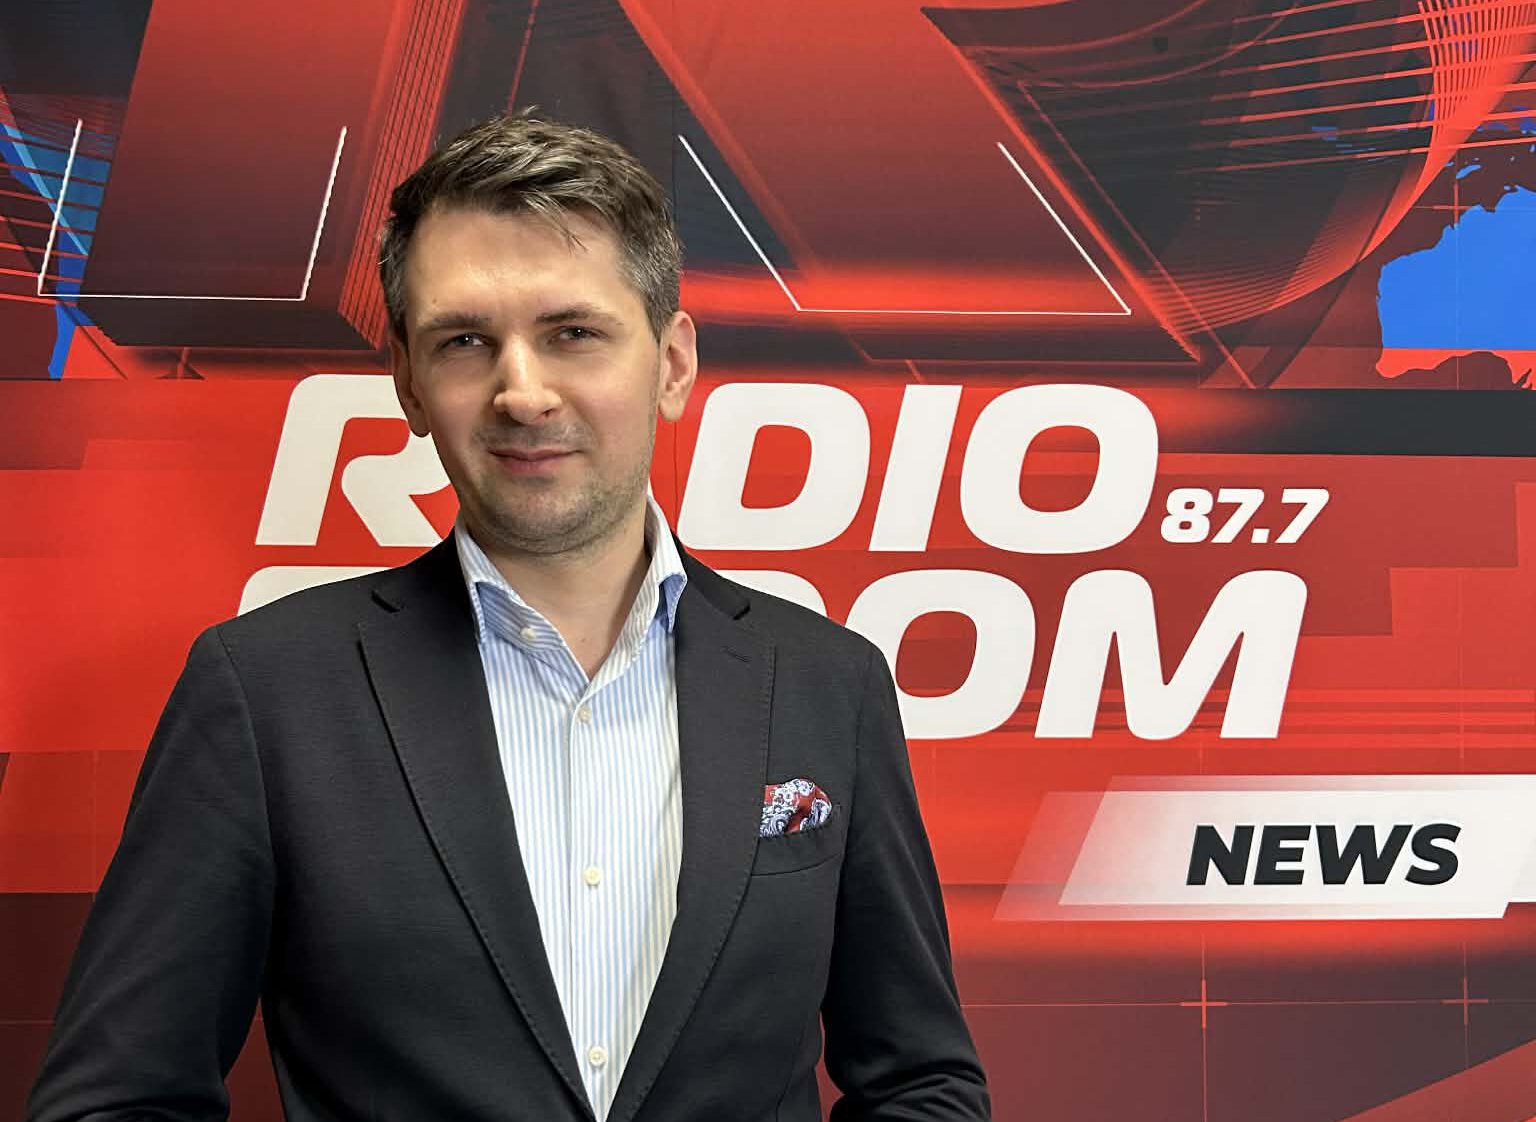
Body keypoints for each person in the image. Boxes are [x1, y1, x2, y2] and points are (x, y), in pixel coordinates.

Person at [25, 113, 991, 1122]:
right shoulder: (265, 693)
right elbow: (113, 1102)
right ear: (408, 381)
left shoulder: (829, 683)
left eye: (573, 333)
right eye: (465, 342)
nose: (521, 393)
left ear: (671, 364)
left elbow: (922, 1082)